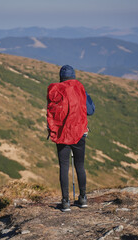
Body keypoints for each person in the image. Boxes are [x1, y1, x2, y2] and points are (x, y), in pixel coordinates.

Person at [47, 65, 95, 212]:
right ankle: (83, 198)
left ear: (61, 77)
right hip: (79, 132)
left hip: (61, 134)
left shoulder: (56, 90)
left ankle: (65, 201)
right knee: (80, 166)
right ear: (73, 76)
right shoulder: (80, 89)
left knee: (64, 166)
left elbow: (51, 112)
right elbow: (91, 111)